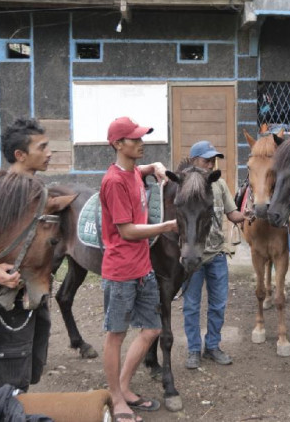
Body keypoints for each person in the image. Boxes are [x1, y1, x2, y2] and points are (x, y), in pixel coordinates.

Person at [100, 116, 178, 422]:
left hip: (143, 268)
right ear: (119, 144)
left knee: (152, 329)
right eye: (135, 139)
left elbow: (139, 170)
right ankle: (115, 397)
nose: (141, 143)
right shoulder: (114, 182)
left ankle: (123, 386)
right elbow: (128, 231)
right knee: (116, 335)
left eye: (141, 138)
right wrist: (167, 226)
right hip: (121, 271)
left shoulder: (132, 171)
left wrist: (154, 166)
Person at [0, 117, 52, 393]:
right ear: (20, 154)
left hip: (35, 293)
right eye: (42, 147)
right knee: (11, 382)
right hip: (8, 297)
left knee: (29, 371)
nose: (49, 153)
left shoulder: (38, 189)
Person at [183, 141, 246, 369]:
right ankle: (193, 350)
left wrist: (249, 213)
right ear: (193, 160)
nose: (210, 165)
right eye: (206, 160)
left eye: (213, 161)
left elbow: (232, 213)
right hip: (193, 258)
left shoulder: (219, 184)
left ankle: (212, 346)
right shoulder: (185, 185)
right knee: (191, 306)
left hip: (217, 254)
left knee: (218, 304)